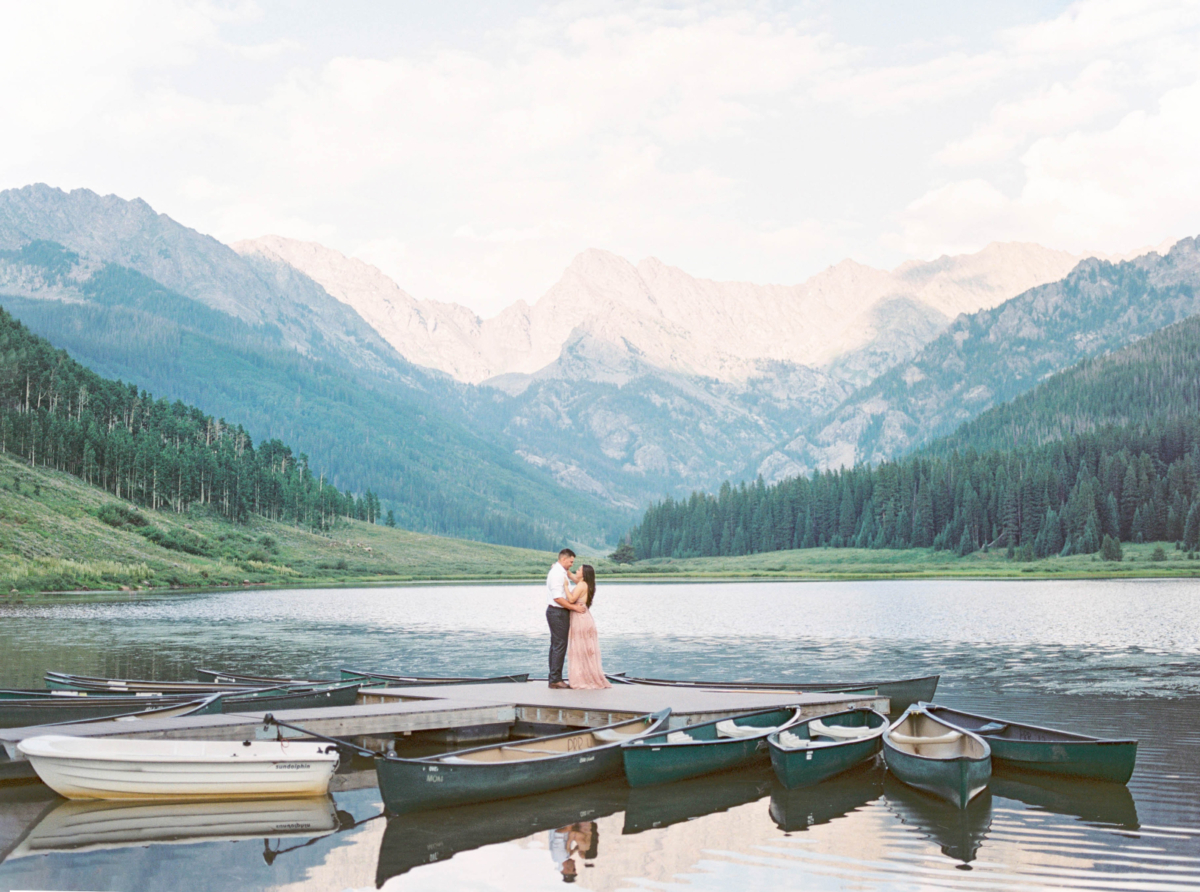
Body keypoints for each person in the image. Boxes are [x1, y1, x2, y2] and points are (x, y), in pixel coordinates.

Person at [564, 564, 611, 689]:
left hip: (580, 619)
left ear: (584, 574)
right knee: (585, 650)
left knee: (580, 649)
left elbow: (572, 599)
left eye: (579, 570)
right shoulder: (586, 583)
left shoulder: (581, 585)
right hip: (585, 618)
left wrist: (565, 586)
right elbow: (574, 577)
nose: (576, 571)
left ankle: (583, 678)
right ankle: (588, 676)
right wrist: (566, 571)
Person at [546, 548, 583, 689]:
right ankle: (555, 679)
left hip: (557, 612)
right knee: (559, 645)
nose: (572, 564)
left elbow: (576, 578)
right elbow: (557, 597)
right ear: (563, 559)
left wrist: (565, 570)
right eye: (571, 562)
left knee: (556, 645)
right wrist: (574, 608)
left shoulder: (560, 571)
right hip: (557, 612)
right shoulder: (557, 574)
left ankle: (554, 677)